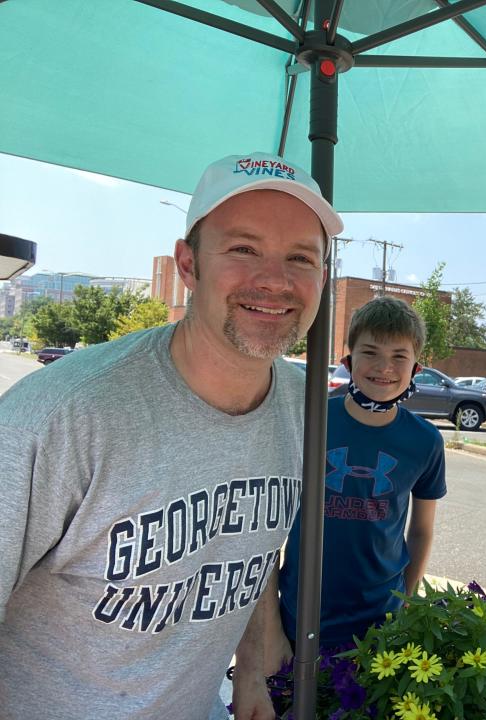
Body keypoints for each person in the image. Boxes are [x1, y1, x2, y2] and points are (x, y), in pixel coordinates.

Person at [0, 151, 343, 719]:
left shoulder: (303, 404)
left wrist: (251, 673)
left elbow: (249, 546)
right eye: (243, 248)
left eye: (300, 258)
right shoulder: (61, 416)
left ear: (322, 279)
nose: (275, 280)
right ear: (188, 265)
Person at [276, 296, 446, 649]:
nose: (384, 367)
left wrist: (406, 603)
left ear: (417, 367)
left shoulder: (425, 441)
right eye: (370, 352)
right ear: (349, 359)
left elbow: (421, 530)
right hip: (300, 611)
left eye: (399, 356)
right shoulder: (311, 419)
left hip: (380, 619)